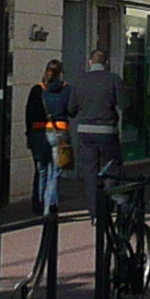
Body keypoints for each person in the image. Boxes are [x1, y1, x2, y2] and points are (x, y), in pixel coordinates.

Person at [73, 56, 126, 223]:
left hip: (85, 131)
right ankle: (109, 202)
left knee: (90, 172)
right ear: (107, 63)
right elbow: (124, 104)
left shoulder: (80, 80)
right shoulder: (113, 79)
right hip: (107, 130)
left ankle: (95, 213)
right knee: (112, 165)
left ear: (90, 62)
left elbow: (71, 108)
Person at [24, 61, 76, 216]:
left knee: (41, 170)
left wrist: (29, 134)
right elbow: (72, 111)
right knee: (55, 172)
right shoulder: (67, 89)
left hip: (38, 133)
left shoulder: (37, 90)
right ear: (60, 73)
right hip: (59, 132)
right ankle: (50, 208)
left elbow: (29, 114)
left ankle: (38, 207)